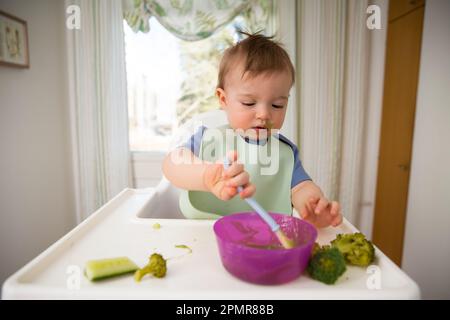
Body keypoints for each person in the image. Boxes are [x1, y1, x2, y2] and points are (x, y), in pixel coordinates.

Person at [163, 32, 342, 229]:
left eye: (277, 105)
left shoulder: (285, 153)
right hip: (204, 231)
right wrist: (206, 176)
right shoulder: (207, 138)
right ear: (223, 99)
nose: (264, 114)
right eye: (249, 103)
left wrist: (312, 206)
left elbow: (301, 187)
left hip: (264, 238)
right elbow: (173, 163)